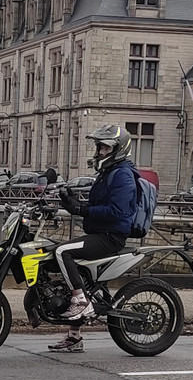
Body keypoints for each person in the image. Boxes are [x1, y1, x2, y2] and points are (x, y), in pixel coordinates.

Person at [48, 125, 139, 353]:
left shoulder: (123, 175)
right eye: (98, 147)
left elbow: (117, 212)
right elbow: (99, 206)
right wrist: (73, 203)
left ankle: (80, 302)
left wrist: (82, 210)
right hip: (100, 233)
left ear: (118, 149)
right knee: (76, 273)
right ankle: (74, 337)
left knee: (62, 252)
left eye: (104, 147)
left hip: (111, 237)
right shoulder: (108, 173)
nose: (99, 152)